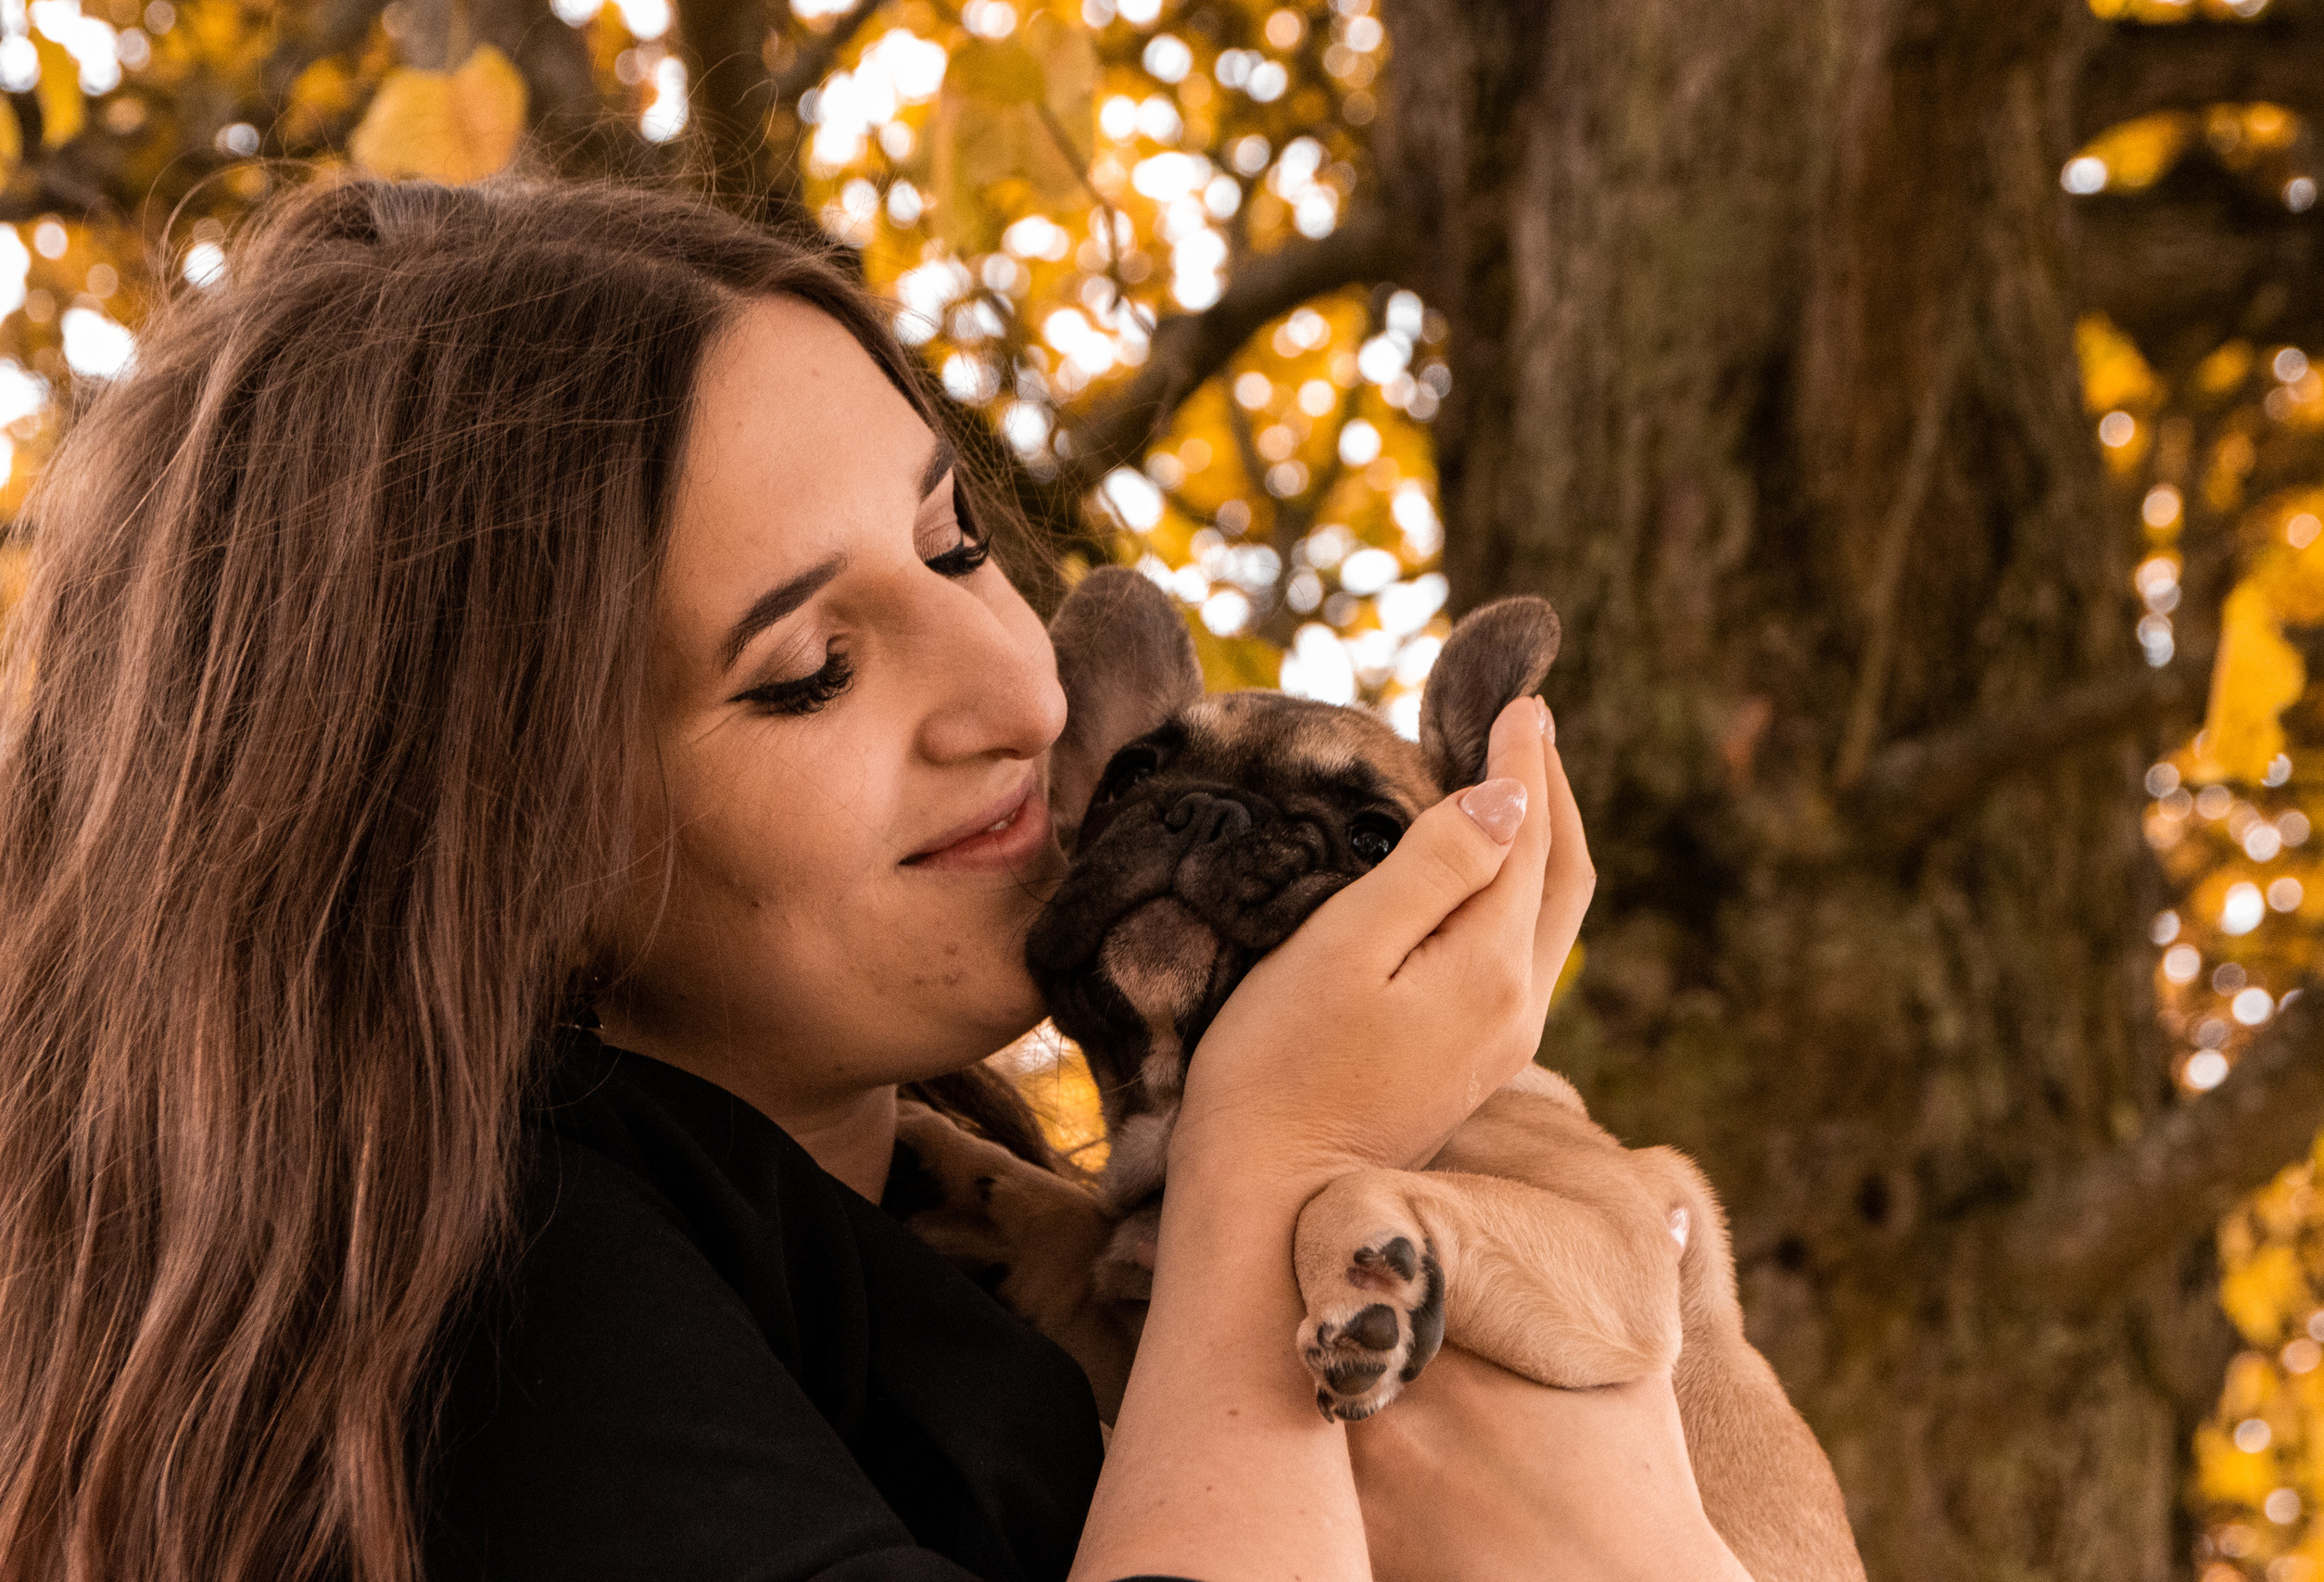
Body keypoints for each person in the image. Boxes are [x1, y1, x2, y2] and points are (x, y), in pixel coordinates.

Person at [0, 177, 1749, 1582]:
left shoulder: (918, 1228)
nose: (1020, 691)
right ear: (496, 859)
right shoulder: (497, 1318)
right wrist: (1275, 1173)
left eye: (953, 545)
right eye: (807, 671)